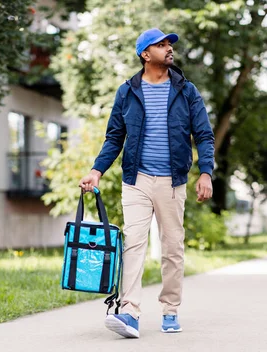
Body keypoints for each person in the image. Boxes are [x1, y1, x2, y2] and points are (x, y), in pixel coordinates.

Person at [78, 28, 215, 339]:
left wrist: (206, 172)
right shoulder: (127, 92)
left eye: (169, 44)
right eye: (161, 45)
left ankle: (170, 309)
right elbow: (115, 137)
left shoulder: (186, 91)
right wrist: (96, 170)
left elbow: (204, 135)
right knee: (134, 244)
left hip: (172, 181)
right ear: (145, 54)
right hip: (136, 180)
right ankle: (130, 312)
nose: (169, 49)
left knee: (172, 248)